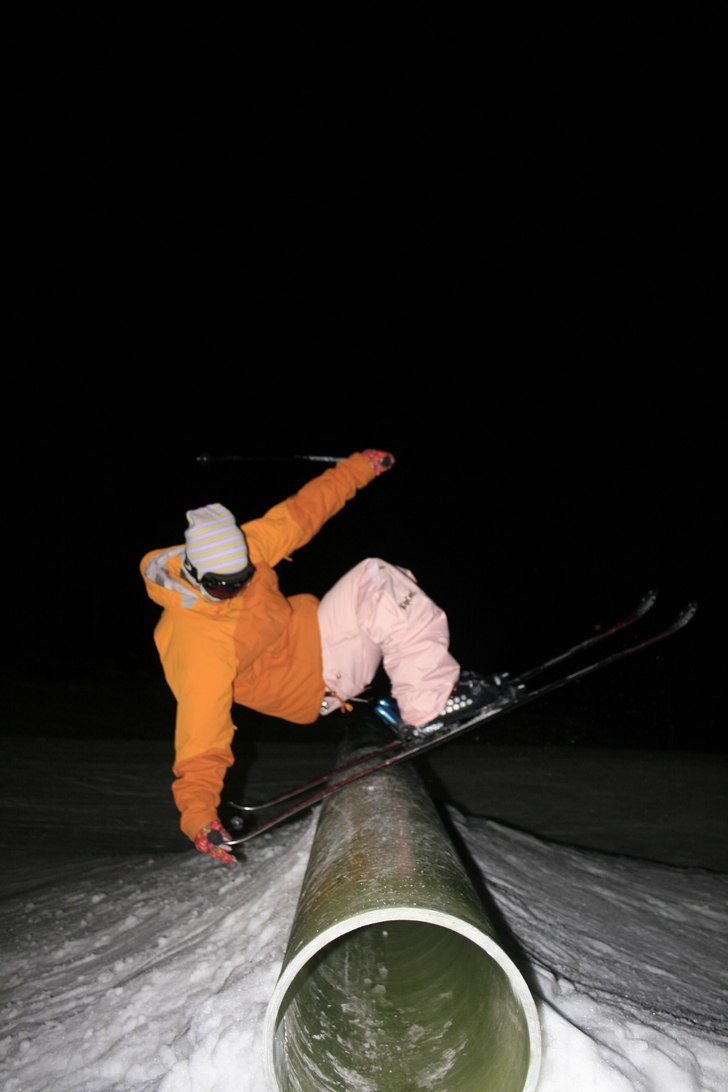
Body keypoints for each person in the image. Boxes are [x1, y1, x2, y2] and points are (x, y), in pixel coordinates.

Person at [140, 450, 495, 866]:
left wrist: (360, 467)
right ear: (193, 573)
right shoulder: (194, 640)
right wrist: (198, 815)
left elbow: (306, 509)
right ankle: (427, 708)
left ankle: (421, 695)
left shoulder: (249, 549)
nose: (237, 591)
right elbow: (201, 735)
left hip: (318, 637)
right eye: (222, 587)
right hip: (313, 682)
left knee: (381, 576)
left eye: (244, 578)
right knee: (380, 590)